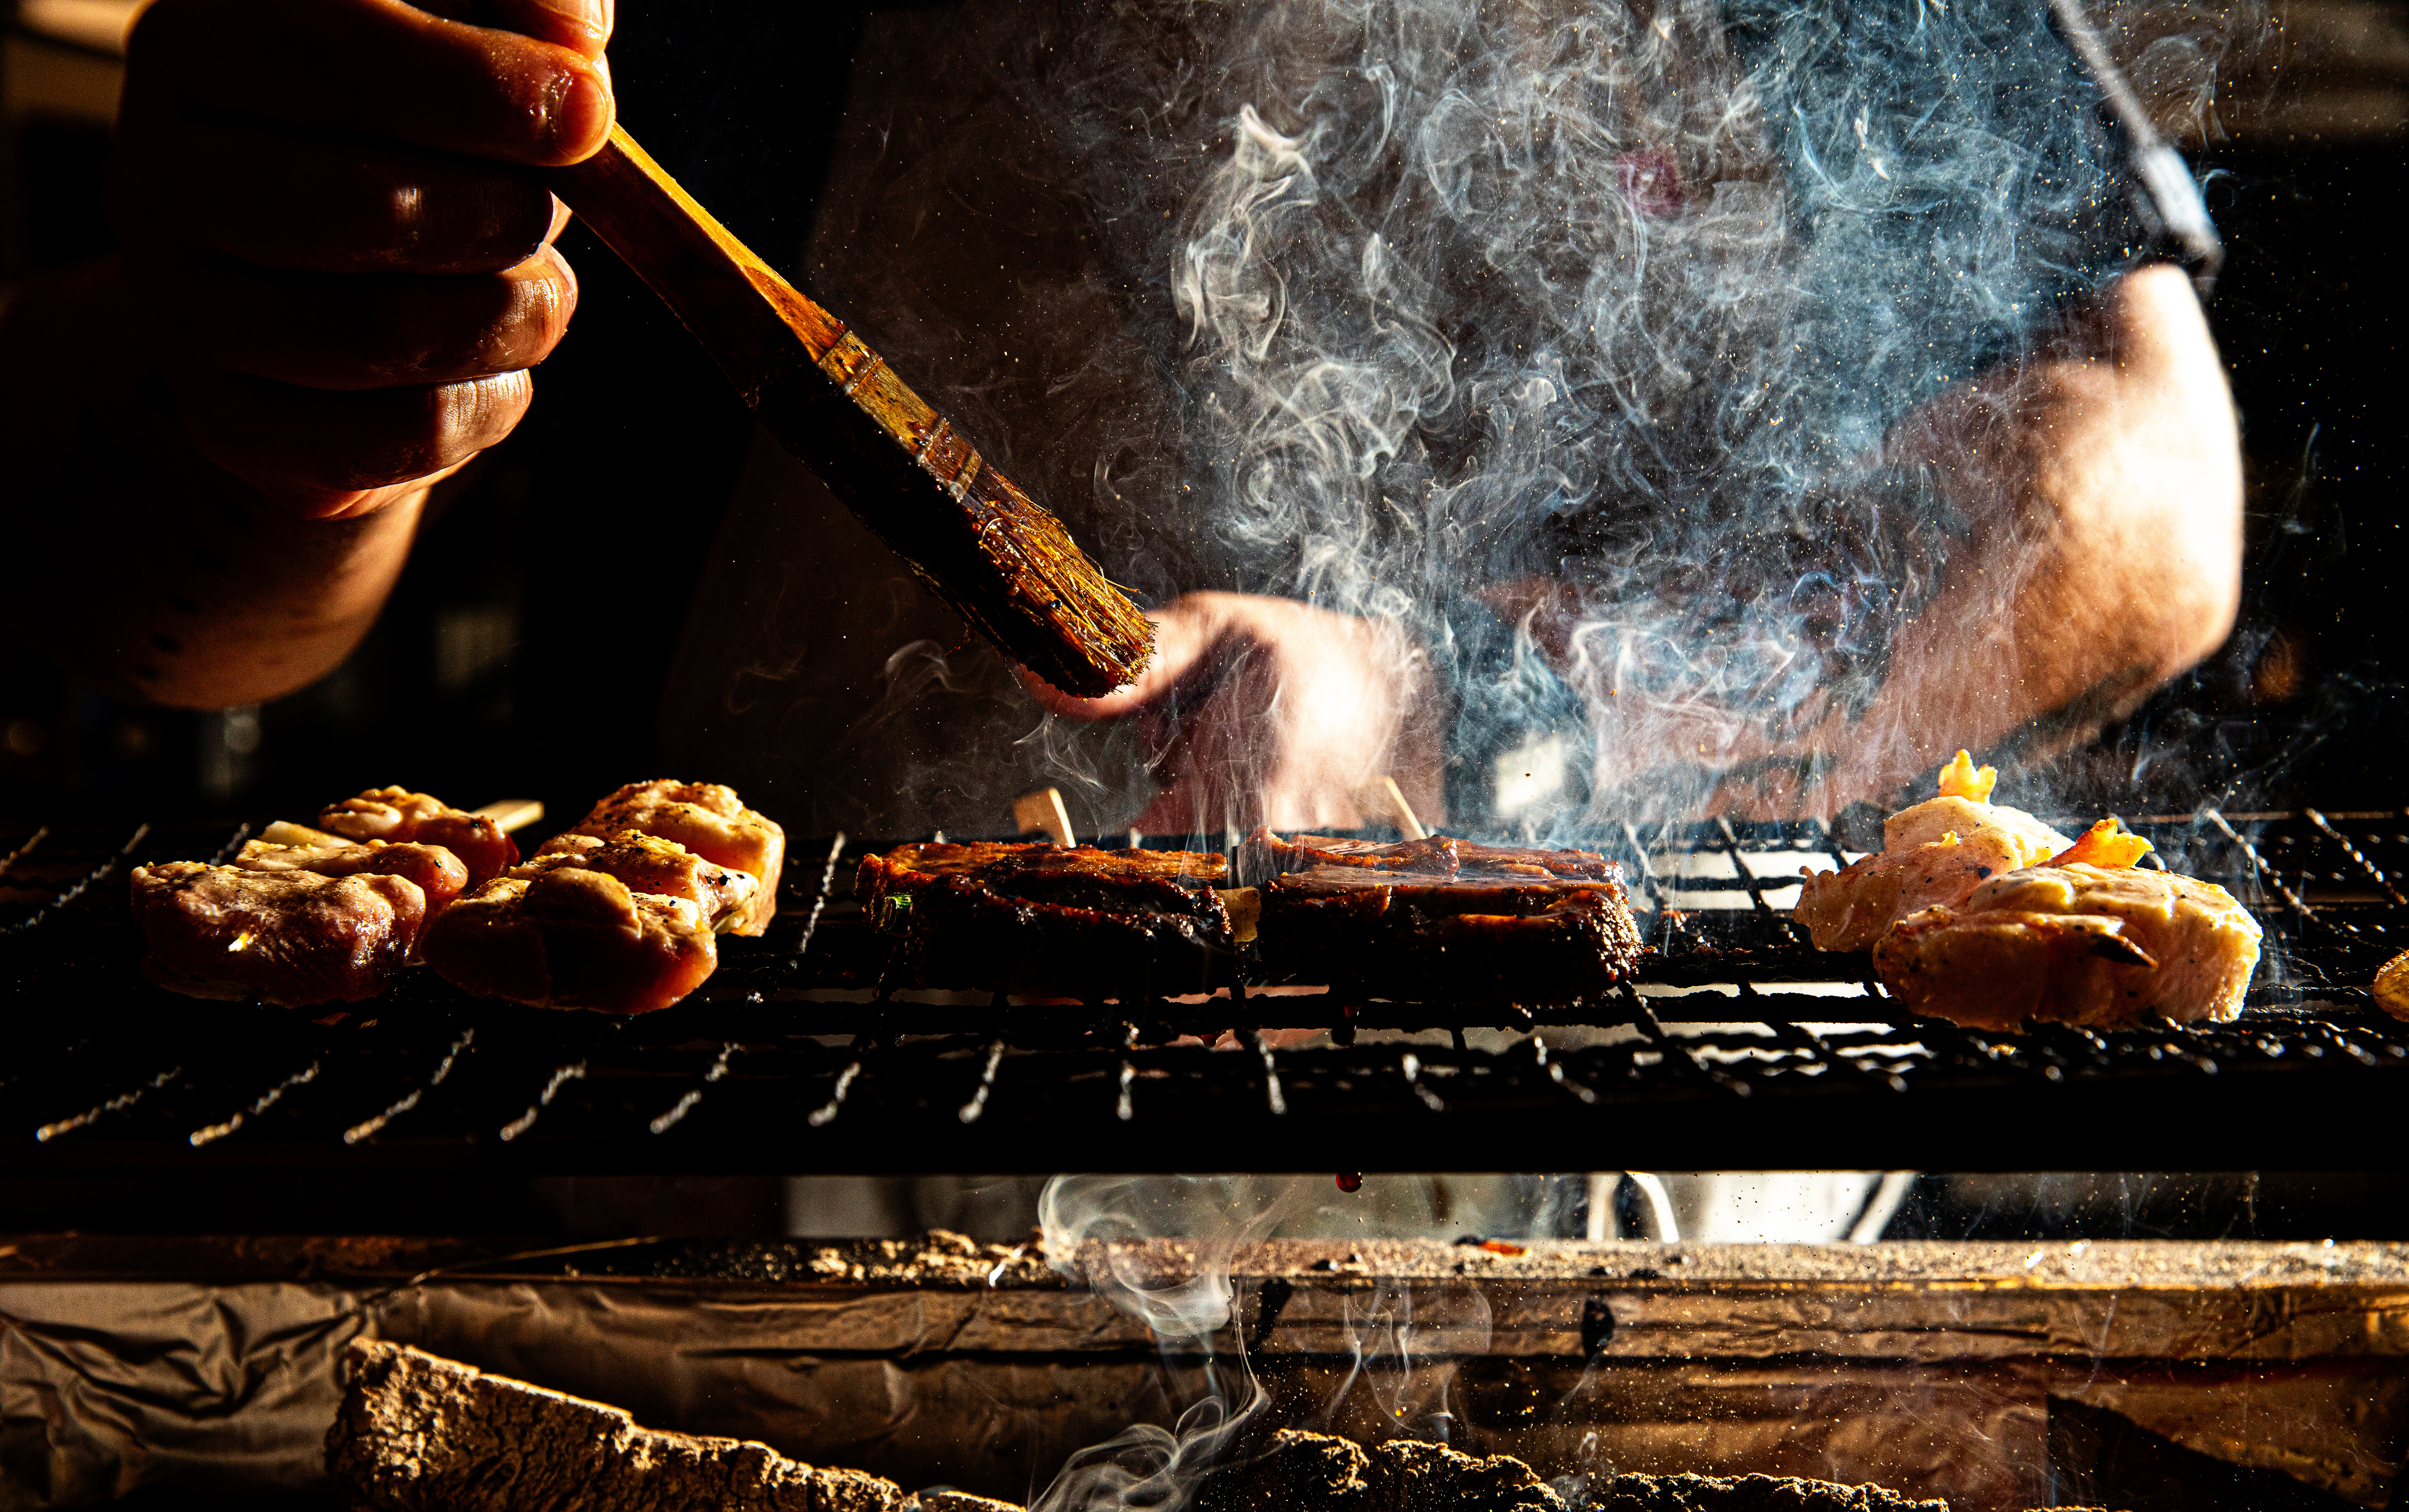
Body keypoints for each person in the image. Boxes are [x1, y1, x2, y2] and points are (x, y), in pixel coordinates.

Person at [0, 0, 2242, 836]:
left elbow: (2140, 482)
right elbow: (151, 606)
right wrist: (291, 385)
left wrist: (1477, 717)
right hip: (832, 1220)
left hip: (1626, 1252)